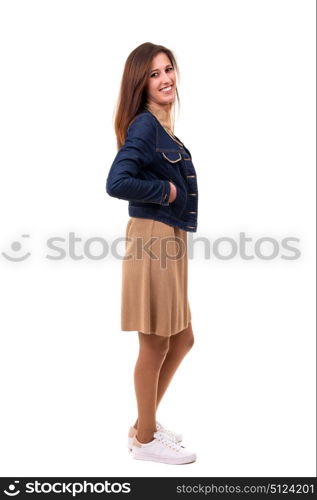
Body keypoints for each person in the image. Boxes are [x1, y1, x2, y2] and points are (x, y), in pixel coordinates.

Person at [106, 42, 199, 465]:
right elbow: (117, 181)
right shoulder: (145, 127)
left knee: (182, 338)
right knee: (156, 342)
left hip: (169, 237)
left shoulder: (163, 128)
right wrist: (166, 190)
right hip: (153, 238)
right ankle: (145, 439)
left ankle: (145, 426)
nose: (166, 80)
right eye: (154, 74)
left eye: (168, 70)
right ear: (140, 84)